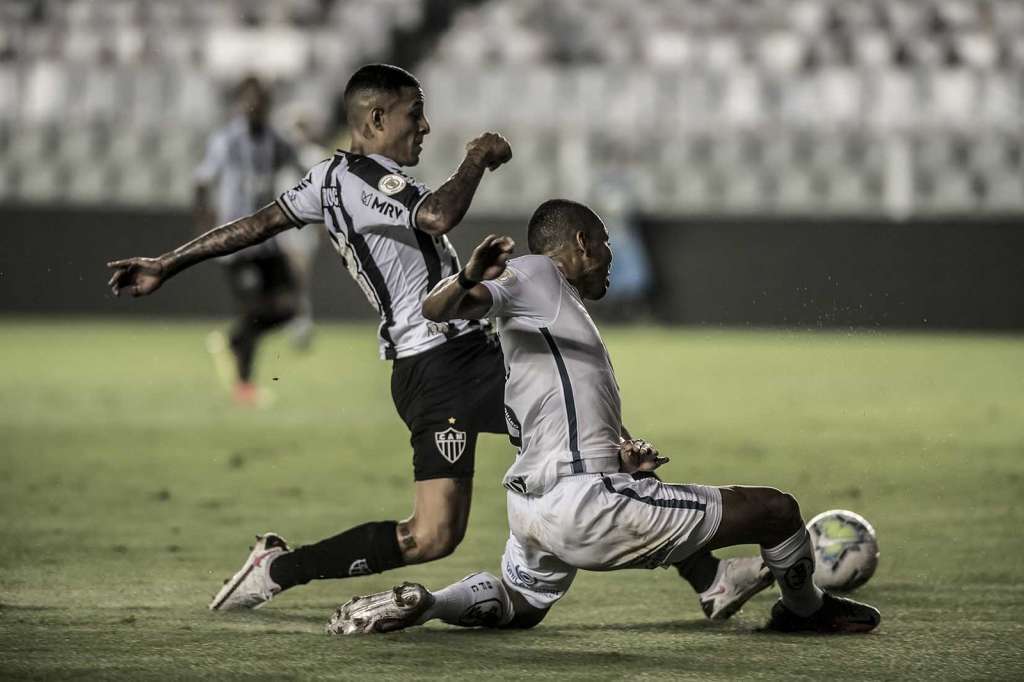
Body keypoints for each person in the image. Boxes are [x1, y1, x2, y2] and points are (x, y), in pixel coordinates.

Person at [107, 64, 764, 620]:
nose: (423, 126)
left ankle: (278, 570)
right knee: (452, 524)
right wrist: (477, 158)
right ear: (373, 122)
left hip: (449, 363)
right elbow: (438, 216)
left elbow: (254, 224)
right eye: (412, 116)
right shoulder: (371, 179)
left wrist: (170, 261)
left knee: (458, 517)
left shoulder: (323, 182)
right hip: (439, 363)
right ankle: (705, 576)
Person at [326, 200, 881, 635]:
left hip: (531, 505)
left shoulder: (548, 314)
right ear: (584, 243)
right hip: (584, 504)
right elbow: (436, 309)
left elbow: (553, 401)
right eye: (607, 245)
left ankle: (432, 603)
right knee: (777, 510)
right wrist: (469, 277)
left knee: (521, 606)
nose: (612, 258)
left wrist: (616, 450)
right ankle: (804, 611)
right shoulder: (536, 274)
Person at [193, 76, 305, 404]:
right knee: (254, 310)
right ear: (240, 104)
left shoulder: (277, 140)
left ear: (268, 105)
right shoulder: (226, 141)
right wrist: (207, 230)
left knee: (290, 309)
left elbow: (304, 171)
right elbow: (201, 182)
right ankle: (244, 386)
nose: (254, 108)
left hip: (268, 241)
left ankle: (234, 340)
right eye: (248, 101)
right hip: (237, 243)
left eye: (261, 101)